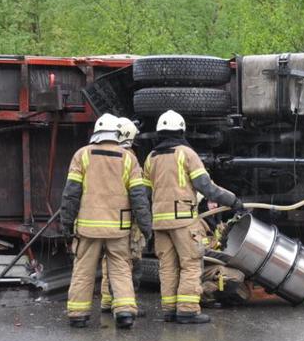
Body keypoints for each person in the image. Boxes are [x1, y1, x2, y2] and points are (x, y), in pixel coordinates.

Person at [143, 110, 244, 324]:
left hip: (159, 222)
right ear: (181, 130)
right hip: (183, 221)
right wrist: (233, 200)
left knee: (168, 266)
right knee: (190, 264)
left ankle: (169, 309)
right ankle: (188, 310)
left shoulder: (151, 158)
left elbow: (145, 193)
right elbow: (207, 188)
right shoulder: (186, 154)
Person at [60, 113, 152, 329]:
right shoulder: (129, 158)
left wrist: (66, 223)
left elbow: (70, 194)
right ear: (117, 134)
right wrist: (146, 227)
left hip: (88, 228)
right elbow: (139, 197)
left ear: (97, 132)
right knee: (120, 269)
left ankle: (78, 314)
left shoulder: (81, 155)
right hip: (118, 229)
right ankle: (125, 312)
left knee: (83, 270)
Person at [100, 117, 146, 314]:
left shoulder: (104, 156)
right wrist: (145, 221)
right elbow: (138, 193)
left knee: (108, 260)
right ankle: (125, 303)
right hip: (127, 220)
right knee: (129, 262)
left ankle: (108, 301)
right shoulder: (128, 158)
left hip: (106, 217)